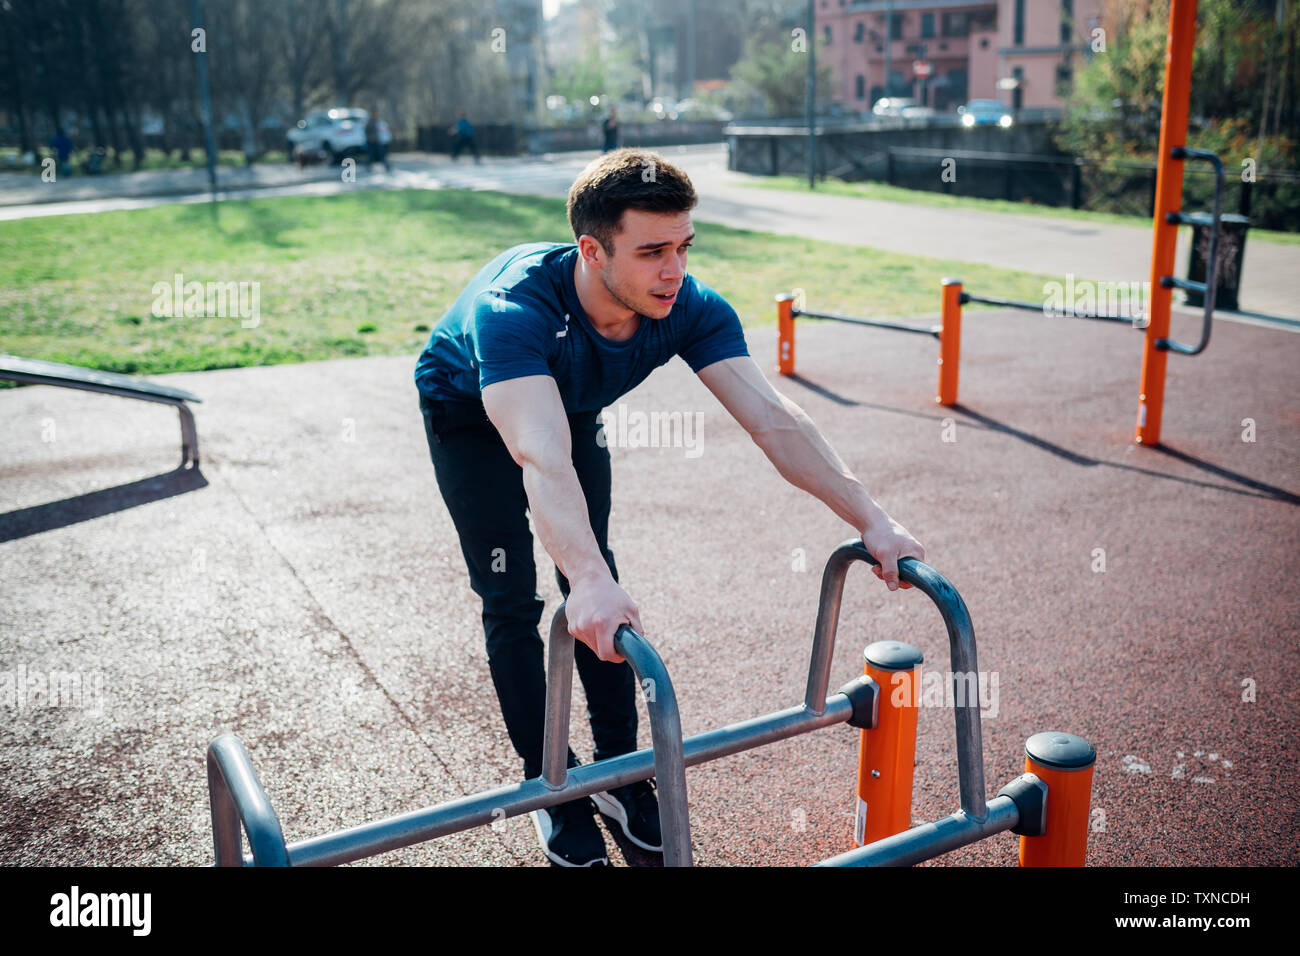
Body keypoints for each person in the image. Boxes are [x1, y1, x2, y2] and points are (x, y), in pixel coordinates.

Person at [412, 147, 924, 866]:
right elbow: (540, 456)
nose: (674, 269)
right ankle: (551, 785)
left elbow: (773, 419)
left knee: (599, 576)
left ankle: (620, 771)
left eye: (684, 246)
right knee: (512, 593)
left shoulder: (689, 307)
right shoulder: (514, 311)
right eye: (652, 251)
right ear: (592, 251)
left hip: (567, 402)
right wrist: (583, 576)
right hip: (469, 409)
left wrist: (870, 517)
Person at [365, 107, 391, 172]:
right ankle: (369, 167)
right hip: (371, 142)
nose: (375, 115)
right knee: (371, 156)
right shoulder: (369, 122)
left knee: (382, 155)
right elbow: (367, 132)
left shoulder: (379, 121)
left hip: (379, 142)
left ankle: (387, 166)